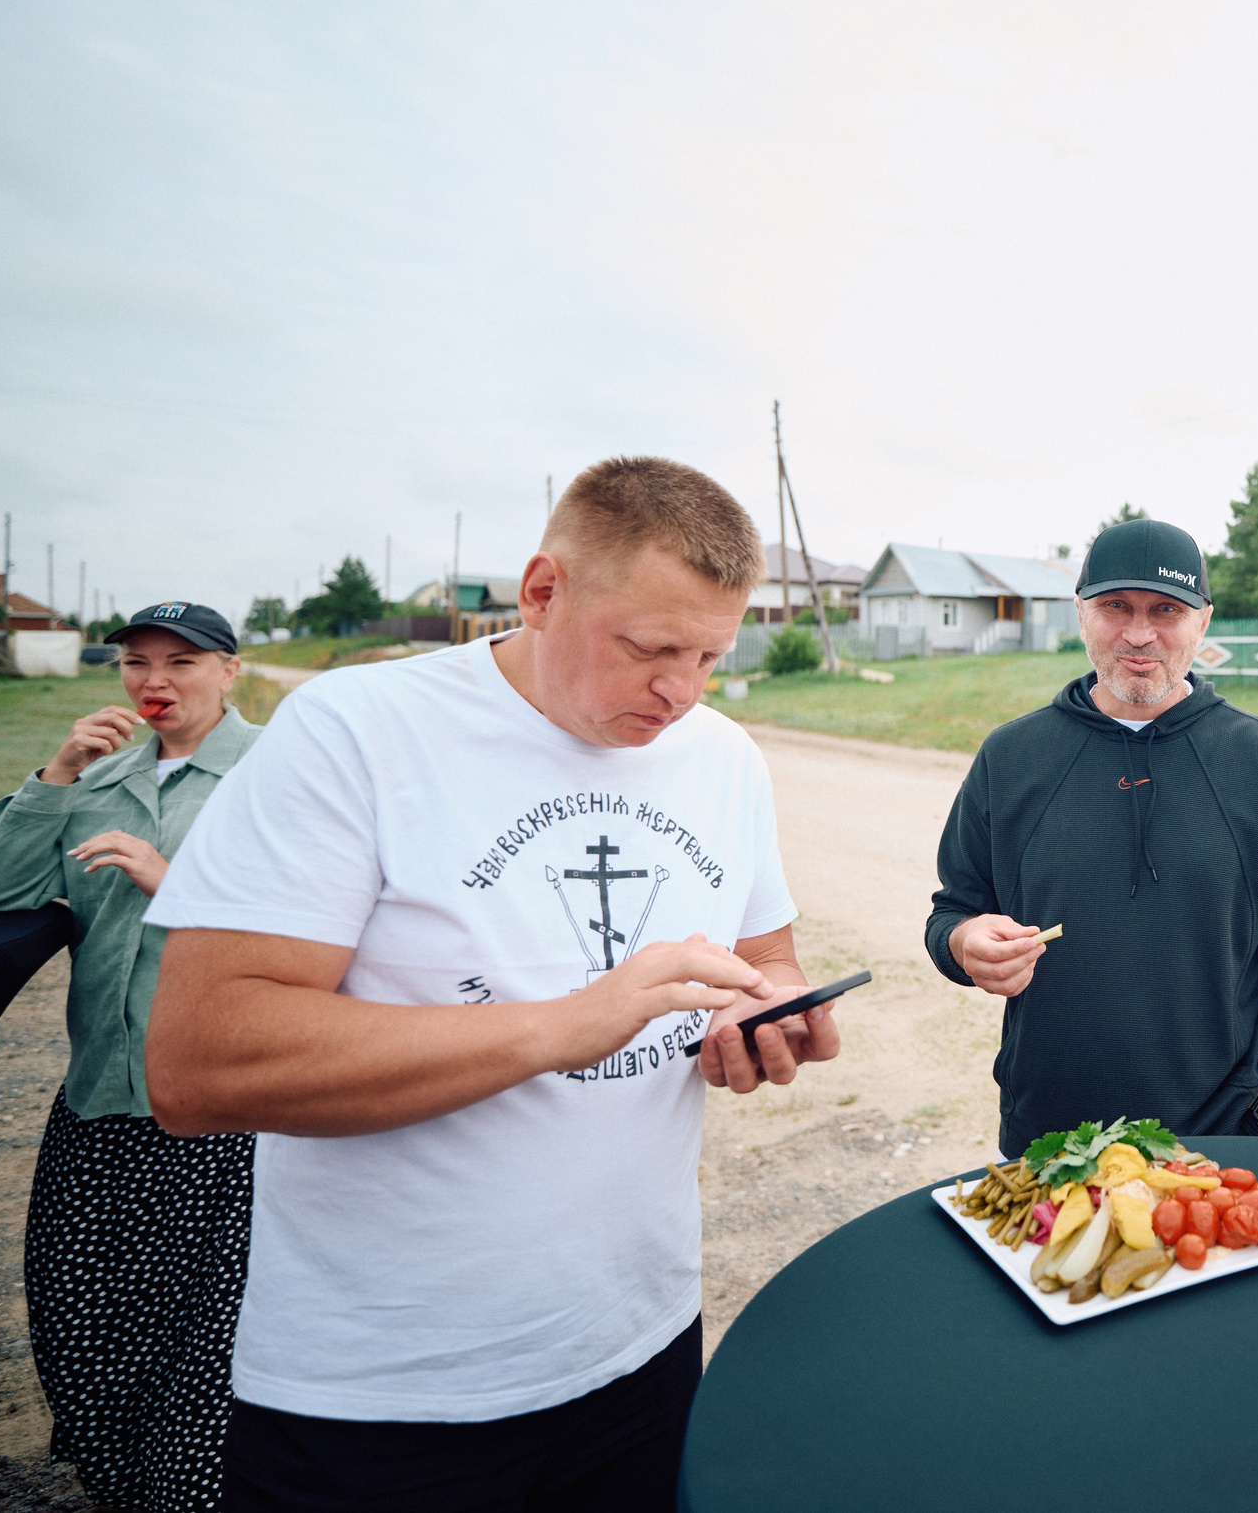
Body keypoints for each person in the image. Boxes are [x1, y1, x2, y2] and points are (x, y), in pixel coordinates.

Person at [142, 458, 835, 1513]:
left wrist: (762, 1011)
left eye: (709, 653)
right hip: (383, 1397)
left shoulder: (724, 756)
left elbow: (768, 956)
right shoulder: (355, 730)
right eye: (649, 648)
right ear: (543, 590)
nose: (681, 691)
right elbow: (200, 1060)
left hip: (640, 1341)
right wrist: (564, 1025)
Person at [0, 600, 262, 1513]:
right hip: (102, 1096)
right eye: (136, 662)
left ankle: (194, 1490)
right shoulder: (100, 779)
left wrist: (176, 887)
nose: (155, 681)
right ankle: (126, 1480)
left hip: (224, 1103)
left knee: (212, 1333)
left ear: (230, 671)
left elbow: (328, 931)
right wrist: (57, 773)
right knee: (85, 1316)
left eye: (182, 661)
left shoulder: (278, 775)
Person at [928, 516, 1258, 1157]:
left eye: (1166, 610)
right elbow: (952, 912)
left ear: (1203, 620)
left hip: (1217, 1145)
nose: (1140, 632)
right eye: (1116, 606)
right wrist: (964, 943)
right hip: (1050, 1144)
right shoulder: (1012, 756)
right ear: (1081, 613)